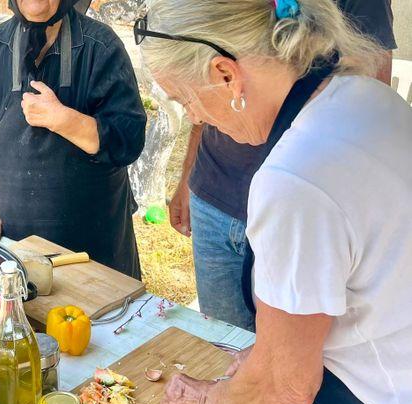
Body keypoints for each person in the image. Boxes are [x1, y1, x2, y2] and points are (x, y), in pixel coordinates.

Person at [137, 0, 412, 404]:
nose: (194, 117)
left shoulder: (294, 180)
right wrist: (267, 355)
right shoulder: (367, 98)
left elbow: (288, 386)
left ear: (224, 74)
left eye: (184, 100)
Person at [167, 2, 396, 333]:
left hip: (302, 210)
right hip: (215, 193)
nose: (192, 114)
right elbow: (201, 84)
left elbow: (367, 98)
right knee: (220, 342)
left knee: (292, 356)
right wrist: (187, 176)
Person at [0, 0, 146, 278]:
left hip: (93, 254)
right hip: (10, 248)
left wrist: (64, 120)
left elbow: (127, 140)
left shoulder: (99, 46)